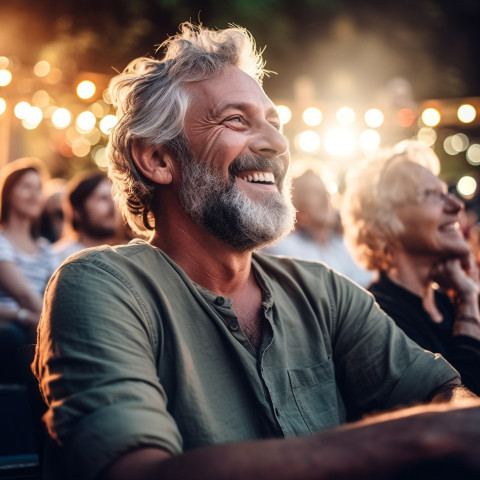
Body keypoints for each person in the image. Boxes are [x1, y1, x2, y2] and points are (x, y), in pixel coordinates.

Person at [33, 23, 480, 480]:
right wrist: (422, 436)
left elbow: (442, 392)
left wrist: (453, 419)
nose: (278, 144)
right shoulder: (101, 284)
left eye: (274, 123)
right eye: (236, 120)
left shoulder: (321, 290)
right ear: (158, 159)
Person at [342, 141, 480, 395]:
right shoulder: (378, 318)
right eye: (430, 194)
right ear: (384, 219)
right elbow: (459, 408)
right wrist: (470, 301)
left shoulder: (447, 301)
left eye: (445, 191)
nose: (456, 205)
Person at [264, 169, 375, 287]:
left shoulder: (344, 245)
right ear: (295, 203)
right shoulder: (283, 248)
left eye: (326, 191)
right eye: (315, 192)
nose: (325, 198)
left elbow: (367, 286)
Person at [0, 158, 57, 383]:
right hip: (12, 325)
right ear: (8, 193)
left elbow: (53, 291)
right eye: (26, 187)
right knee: (13, 336)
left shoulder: (45, 248)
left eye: (38, 189)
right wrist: (49, 322)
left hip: (38, 319)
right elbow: (23, 295)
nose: (35, 195)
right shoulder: (1, 240)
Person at [52, 171, 118, 264]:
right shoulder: (57, 259)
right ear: (77, 211)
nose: (113, 206)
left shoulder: (120, 256)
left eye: (113, 199)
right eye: (103, 198)